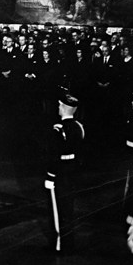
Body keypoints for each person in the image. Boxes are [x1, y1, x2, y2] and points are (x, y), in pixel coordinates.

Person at [44, 92, 85, 253]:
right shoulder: (79, 127)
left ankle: (59, 245)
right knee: (68, 208)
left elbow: (54, 155)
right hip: (73, 171)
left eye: (60, 105)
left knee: (57, 210)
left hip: (60, 172)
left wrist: (50, 175)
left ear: (62, 107)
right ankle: (69, 243)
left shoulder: (58, 129)